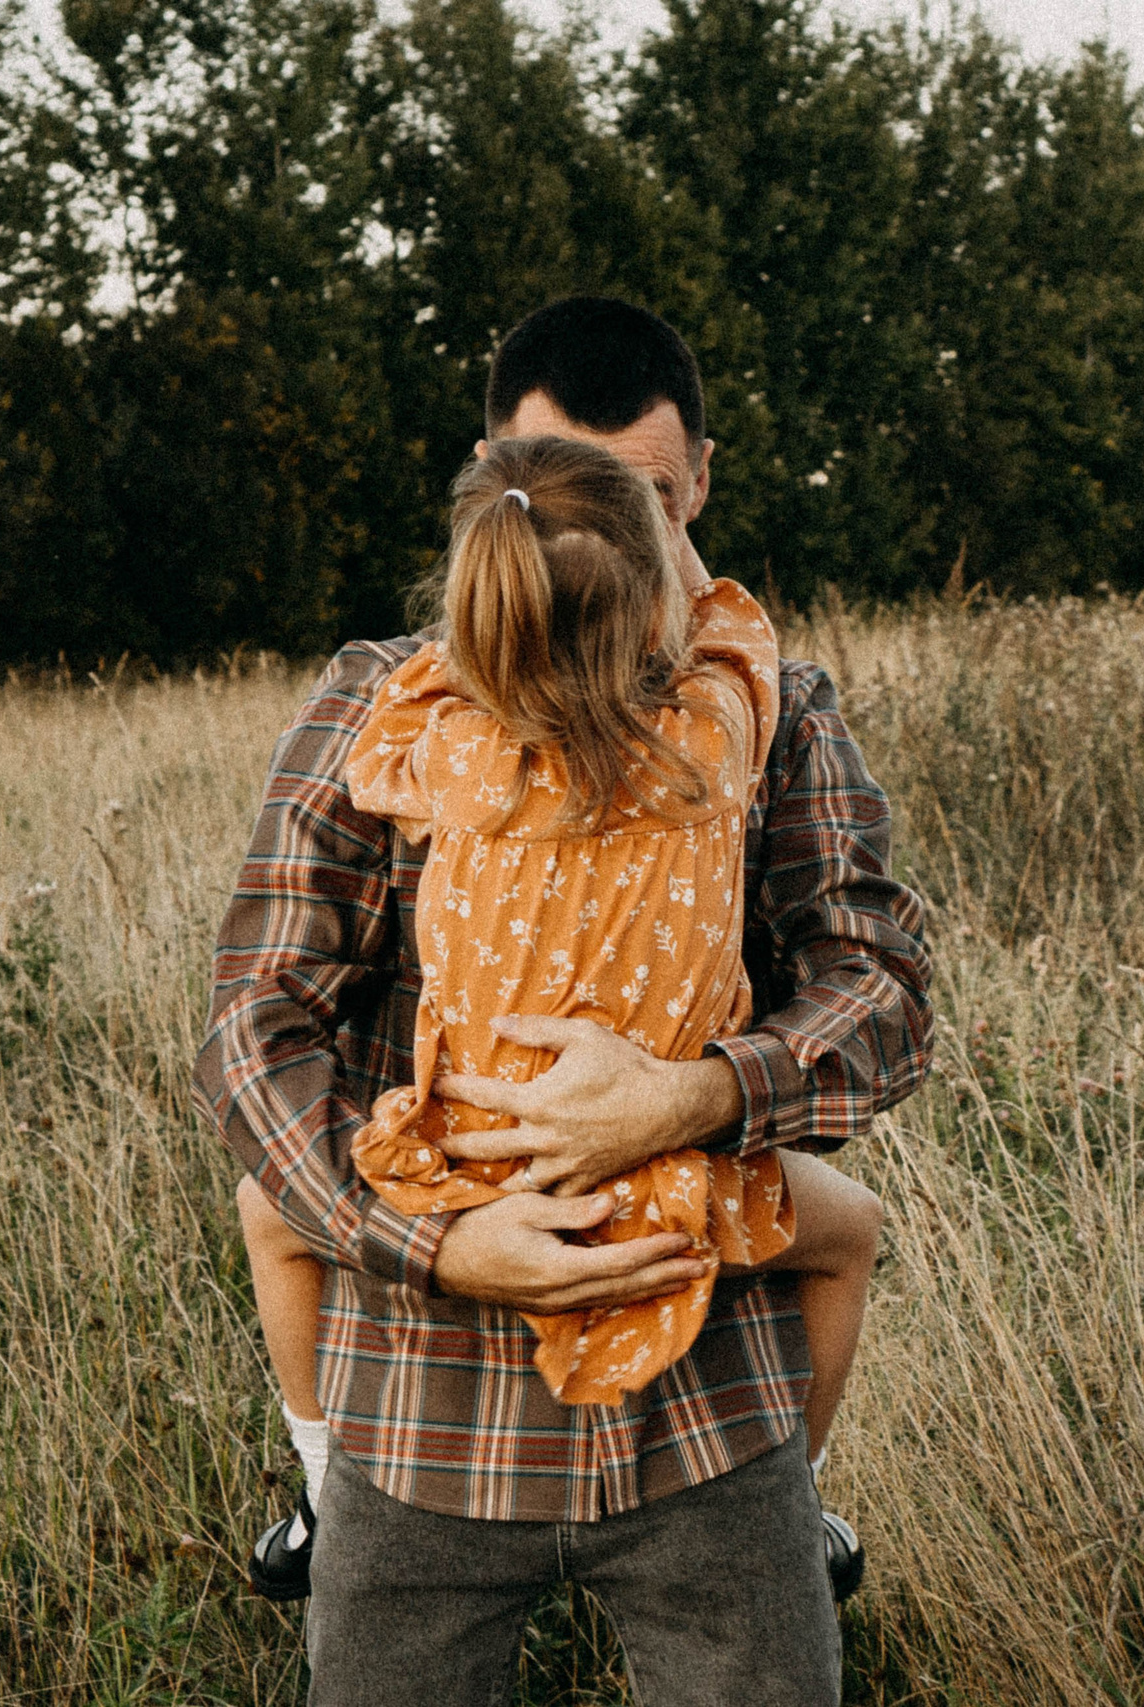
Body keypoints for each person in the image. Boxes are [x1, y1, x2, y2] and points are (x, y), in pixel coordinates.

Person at [197, 297, 932, 1707]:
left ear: (697, 487)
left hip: (712, 1429)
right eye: (552, 503)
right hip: (418, 1427)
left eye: (640, 503)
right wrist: (437, 1240)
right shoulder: (383, 711)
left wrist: (695, 1095)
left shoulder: (769, 709)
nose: (595, 552)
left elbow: (884, 995)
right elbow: (254, 1023)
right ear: (489, 488)